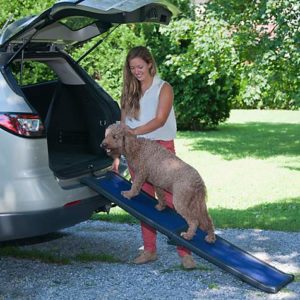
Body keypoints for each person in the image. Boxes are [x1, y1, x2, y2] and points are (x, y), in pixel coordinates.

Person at [113, 46, 196, 269]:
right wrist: (117, 156)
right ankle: (149, 250)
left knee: (172, 199)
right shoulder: (129, 92)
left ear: (150, 64)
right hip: (136, 151)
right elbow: (122, 126)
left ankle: (185, 251)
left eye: (140, 66)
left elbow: (160, 120)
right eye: (132, 68)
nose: (136, 71)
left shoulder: (163, 88)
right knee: (145, 201)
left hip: (161, 150)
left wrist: (133, 132)